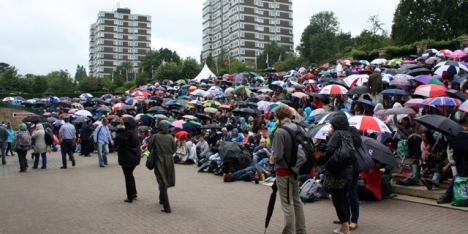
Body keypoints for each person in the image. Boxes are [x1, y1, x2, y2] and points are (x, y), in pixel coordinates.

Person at [270, 105, 307, 234]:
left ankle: (289, 232)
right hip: (296, 170)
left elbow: (278, 156)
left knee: (287, 203)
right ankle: (301, 230)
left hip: (283, 171)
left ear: (277, 116)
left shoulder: (280, 131)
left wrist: (271, 158)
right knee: (296, 200)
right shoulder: (299, 128)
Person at [324, 112, 353, 234]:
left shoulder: (336, 134)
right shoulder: (348, 134)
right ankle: (343, 226)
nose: (330, 128)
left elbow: (329, 150)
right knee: (343, 199)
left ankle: (345, 229)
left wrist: (327, 163)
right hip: (347, 172)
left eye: (331, 126)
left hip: (336, 173)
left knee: (337, 201)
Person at [149, 121, 176, 213]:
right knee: (167, 178)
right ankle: (162, 199)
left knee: (161, 181)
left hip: (159, 160)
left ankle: (167, 206)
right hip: (169, 160)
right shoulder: (170, 137)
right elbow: (174, 149)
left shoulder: (155, 137)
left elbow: (149, 148)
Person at [115, 117, 141, 203]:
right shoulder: (134, 132)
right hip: (134, 157)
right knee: (130, 174)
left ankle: (130, 196)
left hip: (127, 158)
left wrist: (119, 130)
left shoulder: (127, 133)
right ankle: (133, 192)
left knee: (128, 176)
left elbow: (119, 140)